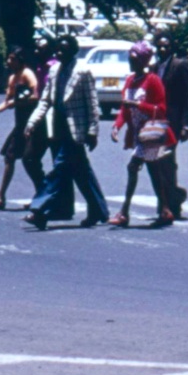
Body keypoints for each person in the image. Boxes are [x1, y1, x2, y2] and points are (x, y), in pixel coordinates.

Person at [22, 34, 110, 230]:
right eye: (58, 49)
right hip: (58, 128)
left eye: (63, 50)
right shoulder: (54, 70)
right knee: (81, 172)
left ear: (73, 51)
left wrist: (93, 131)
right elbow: (45, 100)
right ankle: (98, 210)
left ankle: (40, 210)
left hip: (76, 130)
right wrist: (32, 122)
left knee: (59, 170)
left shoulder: (83, 71)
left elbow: (92, 103)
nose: (59, 53)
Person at [110, 41, 179, 227]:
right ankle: (165, 209)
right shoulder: (130, 80)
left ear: (143, 61)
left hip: (151, 134)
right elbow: (124, 109)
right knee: (154, 171)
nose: (130, 63)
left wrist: (139, 105)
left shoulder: (153, 80)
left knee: (133, 167)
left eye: (134, 59)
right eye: (130, 59)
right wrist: (117, 126)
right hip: (137, 134)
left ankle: (124, 212)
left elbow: (161, 108)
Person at [0, 48, 46, 210]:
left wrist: (19, 101)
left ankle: (43, 195)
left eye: (12, 59)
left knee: (30, 161)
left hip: (32, 124)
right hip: (20, 125)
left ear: (20, 60)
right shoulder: (13, 78)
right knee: (9, 157)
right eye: (8, 58)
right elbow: (8, 101)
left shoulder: (27, 74)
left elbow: (35, 95)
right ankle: (0, 196)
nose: (9, 62)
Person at [152, 32, 188, 219]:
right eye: (159, 46)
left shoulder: (179, 66)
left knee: (167, 162)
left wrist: (187, 125)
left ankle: (172, 203)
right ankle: (169, 200)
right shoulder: (153, 68)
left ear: (172, 48)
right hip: (156, 122)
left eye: (166, 46)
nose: (162, 49)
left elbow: (187, 97)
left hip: (173, 123)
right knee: (158, 163)